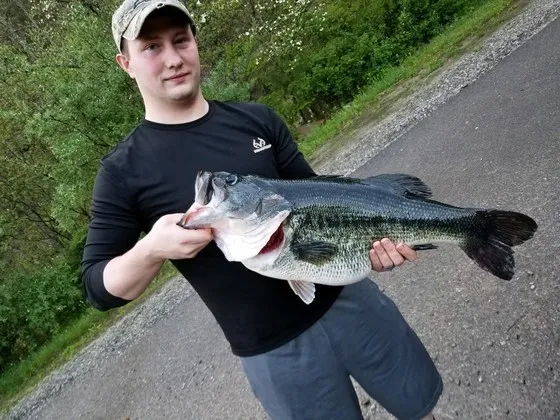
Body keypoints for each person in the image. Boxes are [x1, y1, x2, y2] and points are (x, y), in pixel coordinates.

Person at [81, 0, 443, 418]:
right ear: (126, 63)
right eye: (152, 47)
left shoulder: (256, 120)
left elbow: (322, 199)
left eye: (181, 40)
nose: (173, 58)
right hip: (274, 353)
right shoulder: (122, 172)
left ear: (195, 44)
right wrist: (151, 249)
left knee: (420, 407)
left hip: (351, 300)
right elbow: (98, 288)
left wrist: (370, 246)